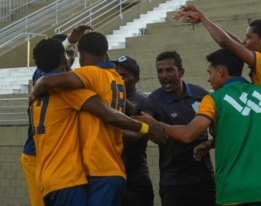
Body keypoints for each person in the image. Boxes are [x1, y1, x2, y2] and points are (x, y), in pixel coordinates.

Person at [173, 6, 261, 205]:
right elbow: (235, 45)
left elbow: (226, 43)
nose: (244, 42)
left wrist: (203, 18)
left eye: (249, 37)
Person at [31, 31, 167, 206]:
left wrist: (37, 87)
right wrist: (145, 125)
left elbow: (46, 80)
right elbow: (110, 112)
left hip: (61, 174)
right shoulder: (116, 79)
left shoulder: (57, 84)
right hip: (96, 170)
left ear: (80, 56)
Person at [135, 49, 261, 206]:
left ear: (220, 71)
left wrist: (156, 125)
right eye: (160, 71)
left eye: (210, 72)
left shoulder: (212, 98)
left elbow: (188, 134)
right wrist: (210, 143)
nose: (208, 79)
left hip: (232, 190)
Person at [141, 51, 216, 206]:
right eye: (160, 71)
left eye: (169, 70)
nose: (164, 75)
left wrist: (209, 144)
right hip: (173, 183)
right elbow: (145, 123)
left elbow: (220, 133)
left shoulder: (200, 95)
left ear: (181, 72)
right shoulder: (153, 101)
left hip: (204, 179)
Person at [21, 33, 75, 206]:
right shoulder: (44, 75)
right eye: (66, 53)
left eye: (72, 53)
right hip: (35, 155)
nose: (70, 58)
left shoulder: (68, 78)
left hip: (54, 157)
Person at [112, 55, 154, 206]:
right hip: (114, 173)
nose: (118, 78)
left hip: (135, 175)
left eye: (123, 75)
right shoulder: (111, 98)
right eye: (115, 74)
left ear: (136, 79)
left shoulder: (141, 99)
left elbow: (136, 128)